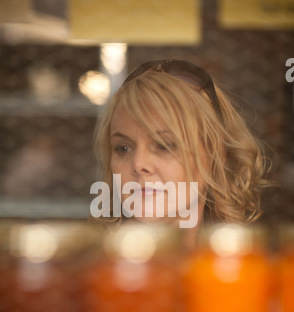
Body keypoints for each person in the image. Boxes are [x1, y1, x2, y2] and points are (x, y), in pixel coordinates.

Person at [91, 59, 271, 246]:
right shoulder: (86, 271)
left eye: (164, 145)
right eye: (123, 148)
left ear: (216, 155)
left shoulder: (244, 267)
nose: (138, 164)